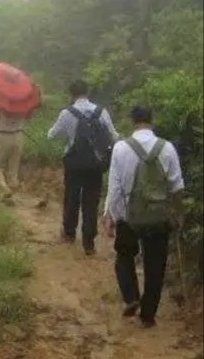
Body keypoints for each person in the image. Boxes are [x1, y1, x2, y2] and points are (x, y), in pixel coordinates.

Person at [102, 106, 184, 328]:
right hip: (159, 217)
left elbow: (115, 187)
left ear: (132, 121)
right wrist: (178, 213)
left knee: (124, 256)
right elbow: (177, 187)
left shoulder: (120, 148)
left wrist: (111, 216)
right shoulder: (167, 148)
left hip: (129, 217)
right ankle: (148, 315)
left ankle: (131, 297)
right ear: (152, 120)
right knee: (155, 265)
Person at [47, 79, 120, 255]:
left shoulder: (67, 113)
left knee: (71, 196)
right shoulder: (101, 112)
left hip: (74, 163)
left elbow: (51, 135)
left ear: (71, 94)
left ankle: (69, 233)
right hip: (96, 164)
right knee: (91, 201)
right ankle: (89, 242)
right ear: (87, 93)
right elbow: (113, 135)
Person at [0, 108, 28, 198]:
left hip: (2, 135)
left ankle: (5, 188)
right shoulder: (23, 105)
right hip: (18, 136)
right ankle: (15, 192)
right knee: (14, 169)